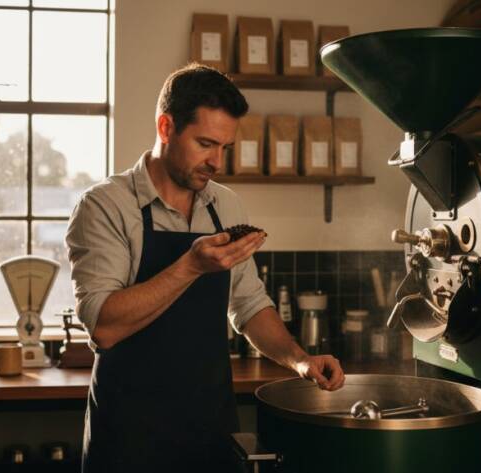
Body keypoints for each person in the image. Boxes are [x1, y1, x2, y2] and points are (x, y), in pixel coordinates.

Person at [66, 63, 345, 473]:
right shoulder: (105, 206)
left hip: (209, 428)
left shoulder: (225, 205)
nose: (217, 162)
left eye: (224, 148)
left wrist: (300, 360)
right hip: (130, 435)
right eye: (205, 144)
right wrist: (191, 265)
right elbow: (104, 326)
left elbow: (248, 305)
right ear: (166, 127)